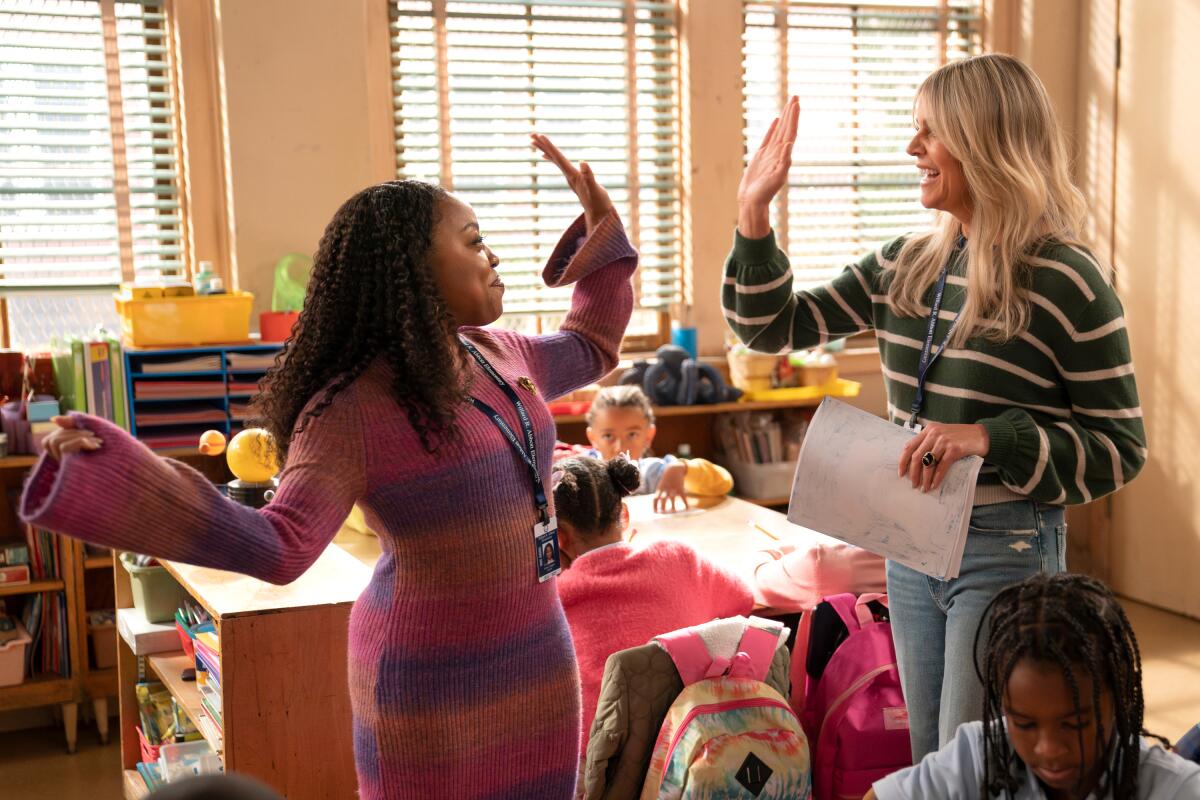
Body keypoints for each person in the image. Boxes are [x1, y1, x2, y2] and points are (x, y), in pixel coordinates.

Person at [23, 135, 637, 799]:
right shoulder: (350, 408)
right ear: (410, 269)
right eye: (472, 240)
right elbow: (280, 544)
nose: (493, 257)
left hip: (539, 661)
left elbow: (592, 343)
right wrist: (122, 474)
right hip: (426, 686)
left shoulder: (503, 352)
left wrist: (602, 235)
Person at [724, 53, 1146, 760]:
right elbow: (771, 329)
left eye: (929, 132)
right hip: (910, 543)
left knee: (973, 758)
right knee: (932, 758)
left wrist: (990, 437)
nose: (911, 149)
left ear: (983, 140)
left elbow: (1118, 448)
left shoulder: (1067, 279)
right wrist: (753, 213)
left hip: (1007, 543)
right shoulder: (905, 264)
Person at [867, 573, 1200, 799]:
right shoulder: (979, 756)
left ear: (1121, 694)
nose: (1048, 749)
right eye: (1024, 724)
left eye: (1075, 723)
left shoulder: (1174, 788)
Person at [552, 455, 753, 746]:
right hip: (690, 746)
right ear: (624, 514)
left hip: (601, 765)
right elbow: (742, 599)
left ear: (558, 538)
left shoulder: (555, 598)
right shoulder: (679, 558)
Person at [582, 384, 733, 513]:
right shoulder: (582, 475)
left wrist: (681, 467)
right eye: (608, 436)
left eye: (632, 434)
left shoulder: (654, 474)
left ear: (649, 436)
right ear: (592, 438)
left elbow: (724, 483)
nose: (620, 447)